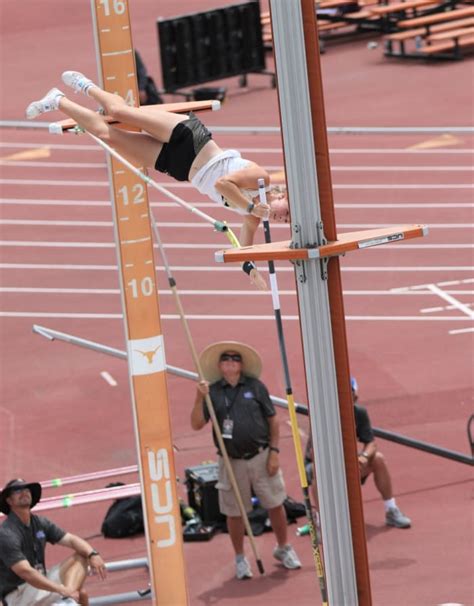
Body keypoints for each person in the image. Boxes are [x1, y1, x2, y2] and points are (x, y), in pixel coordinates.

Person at [25, 72, 290, 290]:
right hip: (191, 140)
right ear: (279, 195)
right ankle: (86, 85)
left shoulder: (254, 216)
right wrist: (251, 207)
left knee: (107, 134)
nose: (283, 219)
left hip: (178, 167)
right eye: (286, 211)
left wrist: (251, 270)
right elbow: (223, 184)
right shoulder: (261, 179)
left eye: (287, 220)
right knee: (120, 110)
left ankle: (57, 100)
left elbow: (244, 247)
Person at [191, 341, 301, 580]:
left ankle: (283, 548)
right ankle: (240, 558)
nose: (230, 362)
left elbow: (273, 420)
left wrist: (274, 452)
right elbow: (197, 424)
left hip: (261, 455)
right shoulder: (213, 392)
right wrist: (199, 398)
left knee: (276, 503)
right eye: (226, 359)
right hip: (231, 460)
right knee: (234, 512)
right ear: (220, 366)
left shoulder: (255, 387)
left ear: (241, 365)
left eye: (235, 359)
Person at [304, 377, 411, 530]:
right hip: (322, 464)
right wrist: (339, 466)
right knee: (317, 469)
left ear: (355, 397)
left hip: (348, 463)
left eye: (349, 393)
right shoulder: (323, 414)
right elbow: (315, 453)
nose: (343, 397)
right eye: (340, 393)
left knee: (378, 459)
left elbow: (371, 443)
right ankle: (323, 521)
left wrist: (363, 457)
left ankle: (391, 510)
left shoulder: (359, 413)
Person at [0, 478, 107, 605]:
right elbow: (26, 572)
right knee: (81, 595)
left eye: (26, 488)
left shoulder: (40, 522)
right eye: (17, 490)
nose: (23, 492)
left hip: (40, 582)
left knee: (82, 555)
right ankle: (67, 600)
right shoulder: (6, 533)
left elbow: (72, 540)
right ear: (9, 500)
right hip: (19, 594)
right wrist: (60, 589)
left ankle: (68, 600)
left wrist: (93, 553)